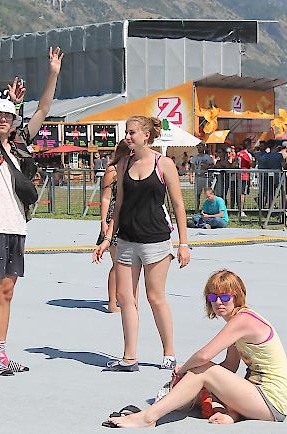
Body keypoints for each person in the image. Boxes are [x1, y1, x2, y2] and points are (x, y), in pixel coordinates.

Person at [0, 34, 63, 375]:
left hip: (16, 226)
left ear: (14, 120)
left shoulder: (21, 144)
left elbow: (44, 108)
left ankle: (2, 351)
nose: (3, 119)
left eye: (8, 115)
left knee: (7, 290)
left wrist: (53, 73)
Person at [104, 270, 287, 428]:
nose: (218, 302)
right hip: (256, 395)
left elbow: (204, 355)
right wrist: (194, 378)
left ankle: (148, 417)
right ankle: (232, 415)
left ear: (237, 296)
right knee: (202, 376)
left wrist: (183, 371)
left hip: (271, 402)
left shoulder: (244, 321)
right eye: (213, 296)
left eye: (225, 297)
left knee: (203, 370)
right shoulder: (238, 322)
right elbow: (230, 366)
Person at [93, 115, 191, 372]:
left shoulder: (164, 163)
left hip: (156, 241)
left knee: (155, 296)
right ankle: (129, 357)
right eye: (127, 131)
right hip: (126, 240)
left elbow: (178, 205)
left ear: (146, 135)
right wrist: (107, 239)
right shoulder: (123, 164)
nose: (128, 136)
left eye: (132, 132)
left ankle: (169, 352)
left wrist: (184, 243)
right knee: (126, 297)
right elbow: (119, 204)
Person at [97, 140, 131, 313]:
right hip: (114, 218)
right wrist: (104, 221)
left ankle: (123, 298)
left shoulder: (135, 167)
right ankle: (112, 302)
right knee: (118, 263)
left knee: (129, 264)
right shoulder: (113, 169)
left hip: (131, 217)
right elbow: (105, 198)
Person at [190, 144, 213, 211]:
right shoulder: (194, 158)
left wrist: (207, 166)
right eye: (198, 147)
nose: (200, 148)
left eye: (201, 147)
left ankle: (208, 209)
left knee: (208, 194)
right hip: (198, 177)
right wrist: (191, 176)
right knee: (197, 194)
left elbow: (212, 166)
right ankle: (196, 209)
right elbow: (192, 168)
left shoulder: (208, 157)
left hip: (206, 177)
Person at [236, 143, 255, 215]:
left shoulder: (238, 153)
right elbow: (251, 164)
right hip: (244, 175)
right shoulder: (246, 154)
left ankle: (239, 209)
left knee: (239, 193)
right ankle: (241, 210)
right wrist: (254, 159)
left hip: (238, 174)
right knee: (242, 193)